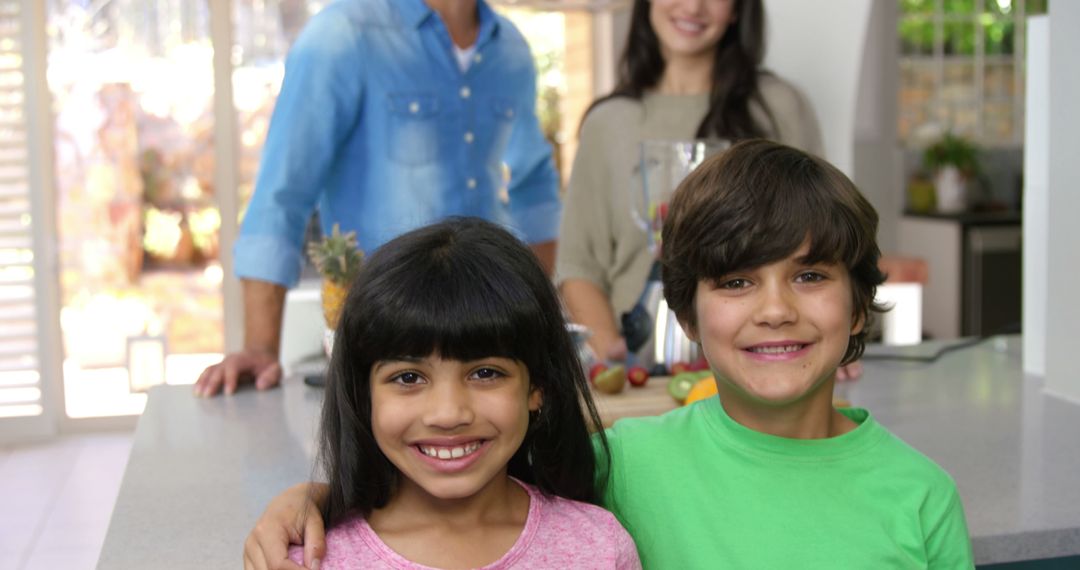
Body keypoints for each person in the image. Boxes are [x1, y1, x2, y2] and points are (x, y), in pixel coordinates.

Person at [244, 141, 975, 569]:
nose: (776, 308)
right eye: (738, 280)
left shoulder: (920, 496)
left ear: (858, 301)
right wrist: (311, 499)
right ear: (687, 312)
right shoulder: (625, 462)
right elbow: (468, 463)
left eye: (811, 275)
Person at [194, 0, 560, 397]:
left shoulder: (509, 48)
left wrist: (539, 325)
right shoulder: (342, 34)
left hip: (490, 344)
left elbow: (535, 183)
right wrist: (259, 348)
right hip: (385, 350)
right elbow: (283, 191)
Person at [251, 218, 640, 570]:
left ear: (537, 386)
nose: (448, 413)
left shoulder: (598, 549)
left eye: (485, 373)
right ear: (364, 392)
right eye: (408, 378)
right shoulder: (309, 558)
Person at [555, 0, 823, 366]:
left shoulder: (777, 108)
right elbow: (579, 263)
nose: (693, 6)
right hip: (637, 363)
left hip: (762, 358)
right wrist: (613, 355)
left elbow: (824, 244)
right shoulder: (608, 123)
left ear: (738, 10)